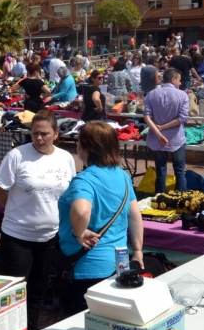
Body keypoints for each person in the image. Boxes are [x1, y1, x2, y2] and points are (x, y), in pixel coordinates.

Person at [0, 110, 76, 330]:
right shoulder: (18, 155)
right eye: (35, 133)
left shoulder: (65, 158)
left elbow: (69, 194)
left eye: (44, 134)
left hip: (49, 237)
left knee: (37, 290)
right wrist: (15, 212)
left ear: (56, 135)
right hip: (17, 236)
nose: (39, 138)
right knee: (10, 291)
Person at [57, 121, 143, 314]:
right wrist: (138, 250)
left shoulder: (85, 179)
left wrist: (79, 233)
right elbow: (135, 216)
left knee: (80, 324)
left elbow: (81, 211)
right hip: (117, 261)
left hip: (85, 266)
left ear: (85, 146)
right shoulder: (123, 176)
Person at [143, 68, 189, 193]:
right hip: (176, 138)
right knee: (180, 172)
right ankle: (181, 202)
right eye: (179, 80)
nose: (180, 83)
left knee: (160, 171)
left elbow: (146, 116)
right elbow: (183, 118)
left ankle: (159, 201)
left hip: (157, 139)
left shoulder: (151, 94)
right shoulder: (182, 95)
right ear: (173, 80)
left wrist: (159, 131)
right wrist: (163, 128)